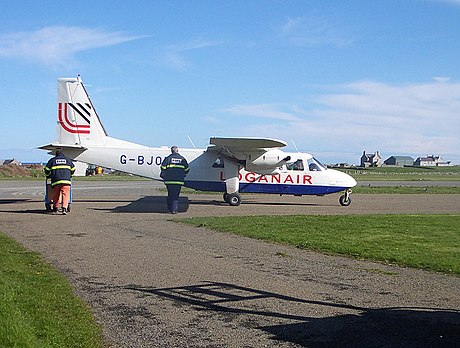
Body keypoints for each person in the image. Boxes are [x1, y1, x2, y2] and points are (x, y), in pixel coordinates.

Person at [44, 150, 75, 215]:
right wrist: (70, 175)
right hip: (66, 181)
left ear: (56, 155)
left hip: (56, 181)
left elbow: (46, 169)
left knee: (56, 195)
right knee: (65, 194)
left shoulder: (52, 160)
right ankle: (64, 208)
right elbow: (73, 169)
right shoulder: (68, 160)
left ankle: (55, 207)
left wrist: (48, 175)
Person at [160, 146, 190, 214]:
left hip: (169, 181)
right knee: (175, 195)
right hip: (178, 181)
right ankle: (174, 210)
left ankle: (169, 208)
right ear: (177, 151)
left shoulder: (168, 158)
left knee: (170, 194)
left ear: (171, 151)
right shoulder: (182, 159)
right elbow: (187, 169)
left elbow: (162, 167)